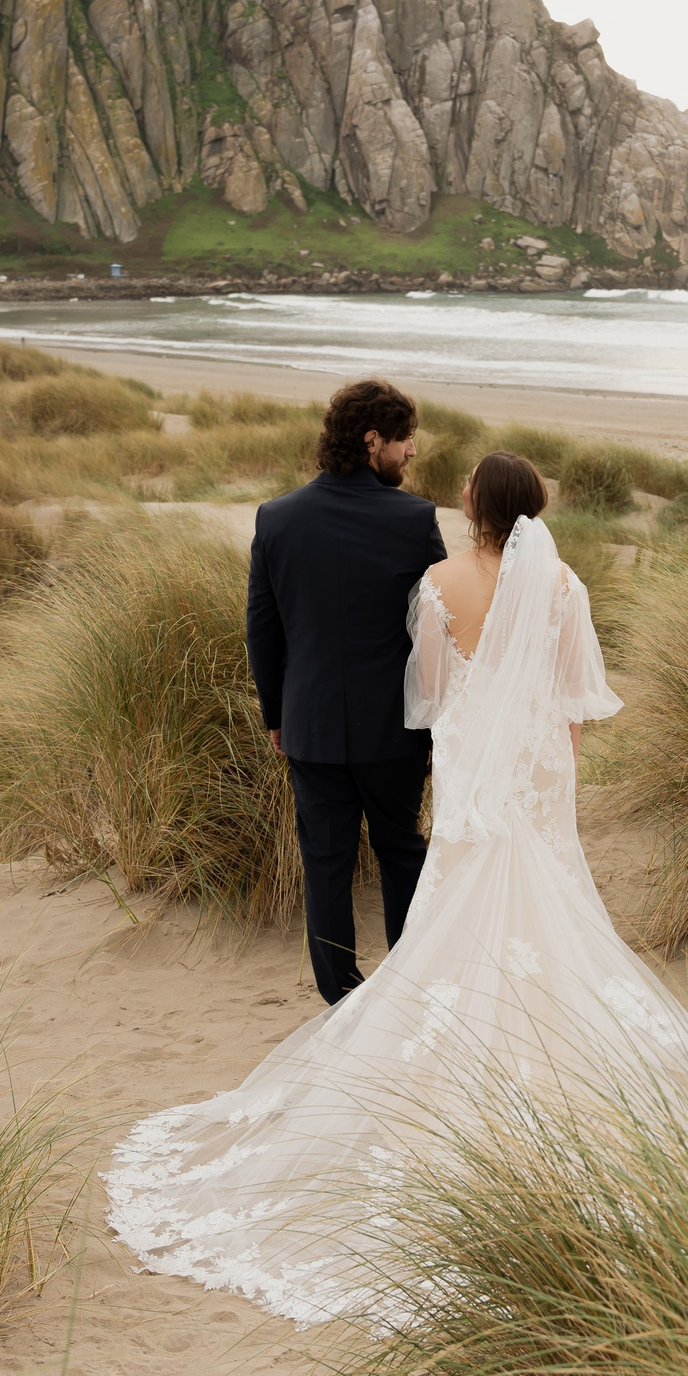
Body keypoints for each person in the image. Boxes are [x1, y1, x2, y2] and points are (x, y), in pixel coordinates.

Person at [109, 449, 688, 1328]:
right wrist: (548, 767)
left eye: (465, 487)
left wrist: (472, 729)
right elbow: (577, 698)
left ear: (479, 505)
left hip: (468, 775)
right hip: (538, 777)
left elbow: (426, 696)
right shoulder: (566, 585)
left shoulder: (439, 582)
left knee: (457, 912)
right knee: (548, 908)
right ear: (531, 506)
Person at [244, 378, 447, 1005]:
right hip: (395, 728)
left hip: (309, 726)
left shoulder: (277, 517)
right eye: (405, 439)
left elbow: (262, 627)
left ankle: (342, 998)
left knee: (327, 863)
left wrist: (277, 715)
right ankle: (407, 989)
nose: (412, 451)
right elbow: (435, 626)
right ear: (372, 441)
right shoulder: (414, 520)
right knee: (401, 850)